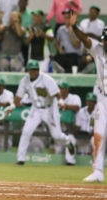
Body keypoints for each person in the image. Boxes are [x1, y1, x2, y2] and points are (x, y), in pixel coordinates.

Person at [13, 59, 76, 165]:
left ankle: (67, 141)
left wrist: (60, 101)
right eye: (31, 69)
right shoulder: (24, 81)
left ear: (38, 70)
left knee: (56, 135)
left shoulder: (46, 79)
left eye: (35, 69)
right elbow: (18, 97)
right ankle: (21, 159)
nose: (33, 71)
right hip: (36, 109)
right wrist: (13, 105)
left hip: (50, 108)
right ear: (28, 70)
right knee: (26, 131)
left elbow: (57, 93)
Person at [70, 12, 107, 182]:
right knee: (98, 134)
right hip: (103, 99)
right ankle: (98, 171)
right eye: (104, 40)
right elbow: (84, 39)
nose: (106, 43)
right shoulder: (98, 49)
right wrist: (74, 27)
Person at [53, 9, 83, 73]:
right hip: (64, 55)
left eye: (68, 18)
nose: (66, 20)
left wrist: (71, 33)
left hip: (74, 56)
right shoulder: (60, 29)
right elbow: (56, 43)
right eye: (65, 18)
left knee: (72, 62)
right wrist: (59, 49)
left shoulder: (78, 29)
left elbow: (77, 45)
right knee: (55, 58)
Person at [54, 82, 81, 155]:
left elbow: (77, 107)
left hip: (70, 131)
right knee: (57, 150)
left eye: (61, 88)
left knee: (70, 142)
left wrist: (66, 106)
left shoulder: (74, 97)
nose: (59, 90)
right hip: (59, 131)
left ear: (66, 90)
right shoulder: (54, 99)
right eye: (58, 88)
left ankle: (70, 163)